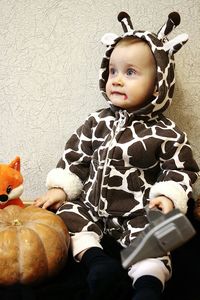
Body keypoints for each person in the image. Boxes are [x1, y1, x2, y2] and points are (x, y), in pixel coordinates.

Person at [34, 11, 199, 300]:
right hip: (92, 207)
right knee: (67, 215)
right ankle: (97, 262)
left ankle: (148, 284)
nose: (117, 80)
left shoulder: (165, 131)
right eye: (113, 71)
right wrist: (62, 188)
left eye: (130, 72)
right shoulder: (97, 122)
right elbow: (77, 155)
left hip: (138, 211)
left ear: (158, 83)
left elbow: (181, 168)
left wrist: (170, 196)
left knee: (161, 232)